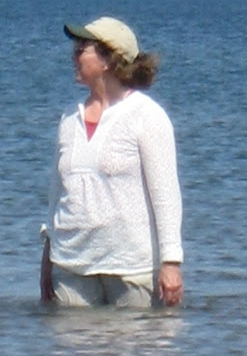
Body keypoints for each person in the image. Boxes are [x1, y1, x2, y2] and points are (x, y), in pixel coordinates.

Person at [40, 16, 183, 308]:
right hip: (70, 266)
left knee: (138, 338)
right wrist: (47, 258)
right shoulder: (69, 119)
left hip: (131, 268)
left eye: (82, 49)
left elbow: (166, 195)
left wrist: (171, 262)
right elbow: (56, 196)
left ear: (108, 59)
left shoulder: (147, 116)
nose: (73, 56)